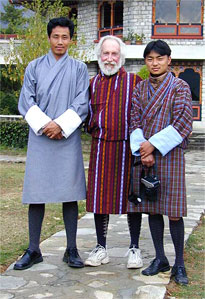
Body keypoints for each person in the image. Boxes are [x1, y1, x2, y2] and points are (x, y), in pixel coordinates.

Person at [14, 17, 89, 270]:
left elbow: (82, 102)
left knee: (70, 194)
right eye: (55, 36)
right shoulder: (34, 67)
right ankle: (33, 249)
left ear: (71, 39)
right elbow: (26, 101)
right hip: (41, 137)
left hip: (67, 137)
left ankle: (71, 249)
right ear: (49, 38)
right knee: (36, 193)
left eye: (65, 37)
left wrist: (61, 125)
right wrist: (47, 125)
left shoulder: (79, 68)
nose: (60, 41)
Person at [129, 40, 192, 285]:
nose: (154, 63)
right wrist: (143, 150)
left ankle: (179, 264)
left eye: (159, 58)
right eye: (149, 59)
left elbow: (183, 122)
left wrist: (152, 145)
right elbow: (134, 119)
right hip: (146, 157)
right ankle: (160, 258)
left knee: (174, 212)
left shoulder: (180, 86)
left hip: (170, 155)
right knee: (152, 209)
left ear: (169, 60)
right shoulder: (139, 89)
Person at [85, 35, 143, 268]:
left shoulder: (134, 81)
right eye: (105, 54)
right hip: (100, 147)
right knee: (99, 198)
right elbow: (86, 115)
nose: (110, 58)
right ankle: (101, 247)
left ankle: (134, 248)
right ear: (99, 57)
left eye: (114, 54)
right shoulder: (92, 84)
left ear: (122, 57)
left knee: (132, 199)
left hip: (128, 149)